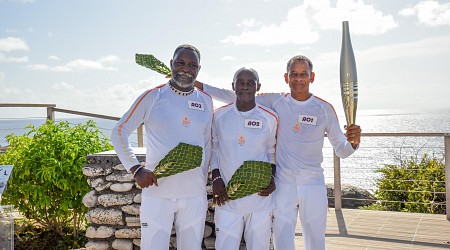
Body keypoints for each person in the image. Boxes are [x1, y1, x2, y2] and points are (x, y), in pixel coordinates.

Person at [194, 55, 362, 250]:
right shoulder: (276, 101)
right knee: (282, 238)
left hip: (313, 182)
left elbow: (341, 150)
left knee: (316, 239)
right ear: (286, 77)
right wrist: (198, 84)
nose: (298, 79)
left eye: (303, 74)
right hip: (284, 183)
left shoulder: (324, 109)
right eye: (294, 74)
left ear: (312, 76)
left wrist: (354, 141)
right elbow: (238, 95)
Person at [111, 44, 213, 250]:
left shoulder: (206, 101)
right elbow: (119, 131)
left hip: (194, 195)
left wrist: (202, 183)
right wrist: (136, 168)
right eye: (181, 63)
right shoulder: (153, 96)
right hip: (158, 193)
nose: (186, 68)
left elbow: (208, 144)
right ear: (171, 64)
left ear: (198, 69)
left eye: (192, 65)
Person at [211, 67, 278, 250]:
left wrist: (272, 179)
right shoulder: (218, 116)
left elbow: (272, 152)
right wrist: (216, 178)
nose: (245, 87)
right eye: (241, 82)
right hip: (228, 199)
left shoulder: (270, 118)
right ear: (233, 86)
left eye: (251, 83)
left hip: (260, 200)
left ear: (258, 87)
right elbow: (214, 150)